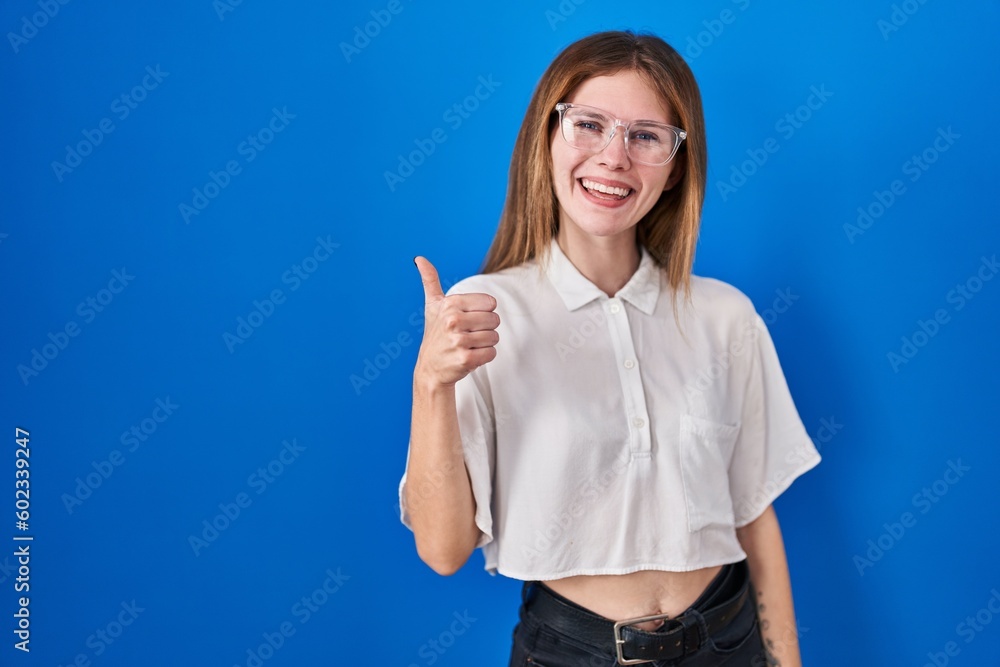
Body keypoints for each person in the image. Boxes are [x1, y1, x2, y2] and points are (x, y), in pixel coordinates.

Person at [399, 30, 821, 667]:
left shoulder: (724, 316)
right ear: (547, 137)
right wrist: (430, 383)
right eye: (589, 124)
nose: (614, 157)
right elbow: (443, 550)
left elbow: (754, 518)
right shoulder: (483, 313)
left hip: (728, 641)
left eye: (646, 136)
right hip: (571, 652)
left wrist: (787, 662)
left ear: (677, 165)